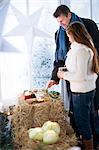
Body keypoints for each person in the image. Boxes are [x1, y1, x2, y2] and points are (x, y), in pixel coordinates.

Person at [46, 4, 99, 149]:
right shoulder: (59, 34)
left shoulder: (88, 25)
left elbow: (95, 53)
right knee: (79, 117)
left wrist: (64, 74)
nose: (61, 25)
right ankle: (82, 143)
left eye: (62, 21)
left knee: (91, 116)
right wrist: (55, 77)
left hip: (87, 81)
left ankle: (92, 144)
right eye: (58, 22)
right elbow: (60, 60)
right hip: (76, 83)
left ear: (69, 15)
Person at [57, 21, 99, 150]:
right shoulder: (83, 48)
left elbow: (80, 76)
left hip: (81, 92)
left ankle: (89, 147)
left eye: (69, 36)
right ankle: (92, 145)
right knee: (90, 120)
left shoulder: (81, 50)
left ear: (75, 34)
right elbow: (87, 72)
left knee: (83, 123)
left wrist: (63, 75)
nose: (68, 39)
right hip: (87, 90)